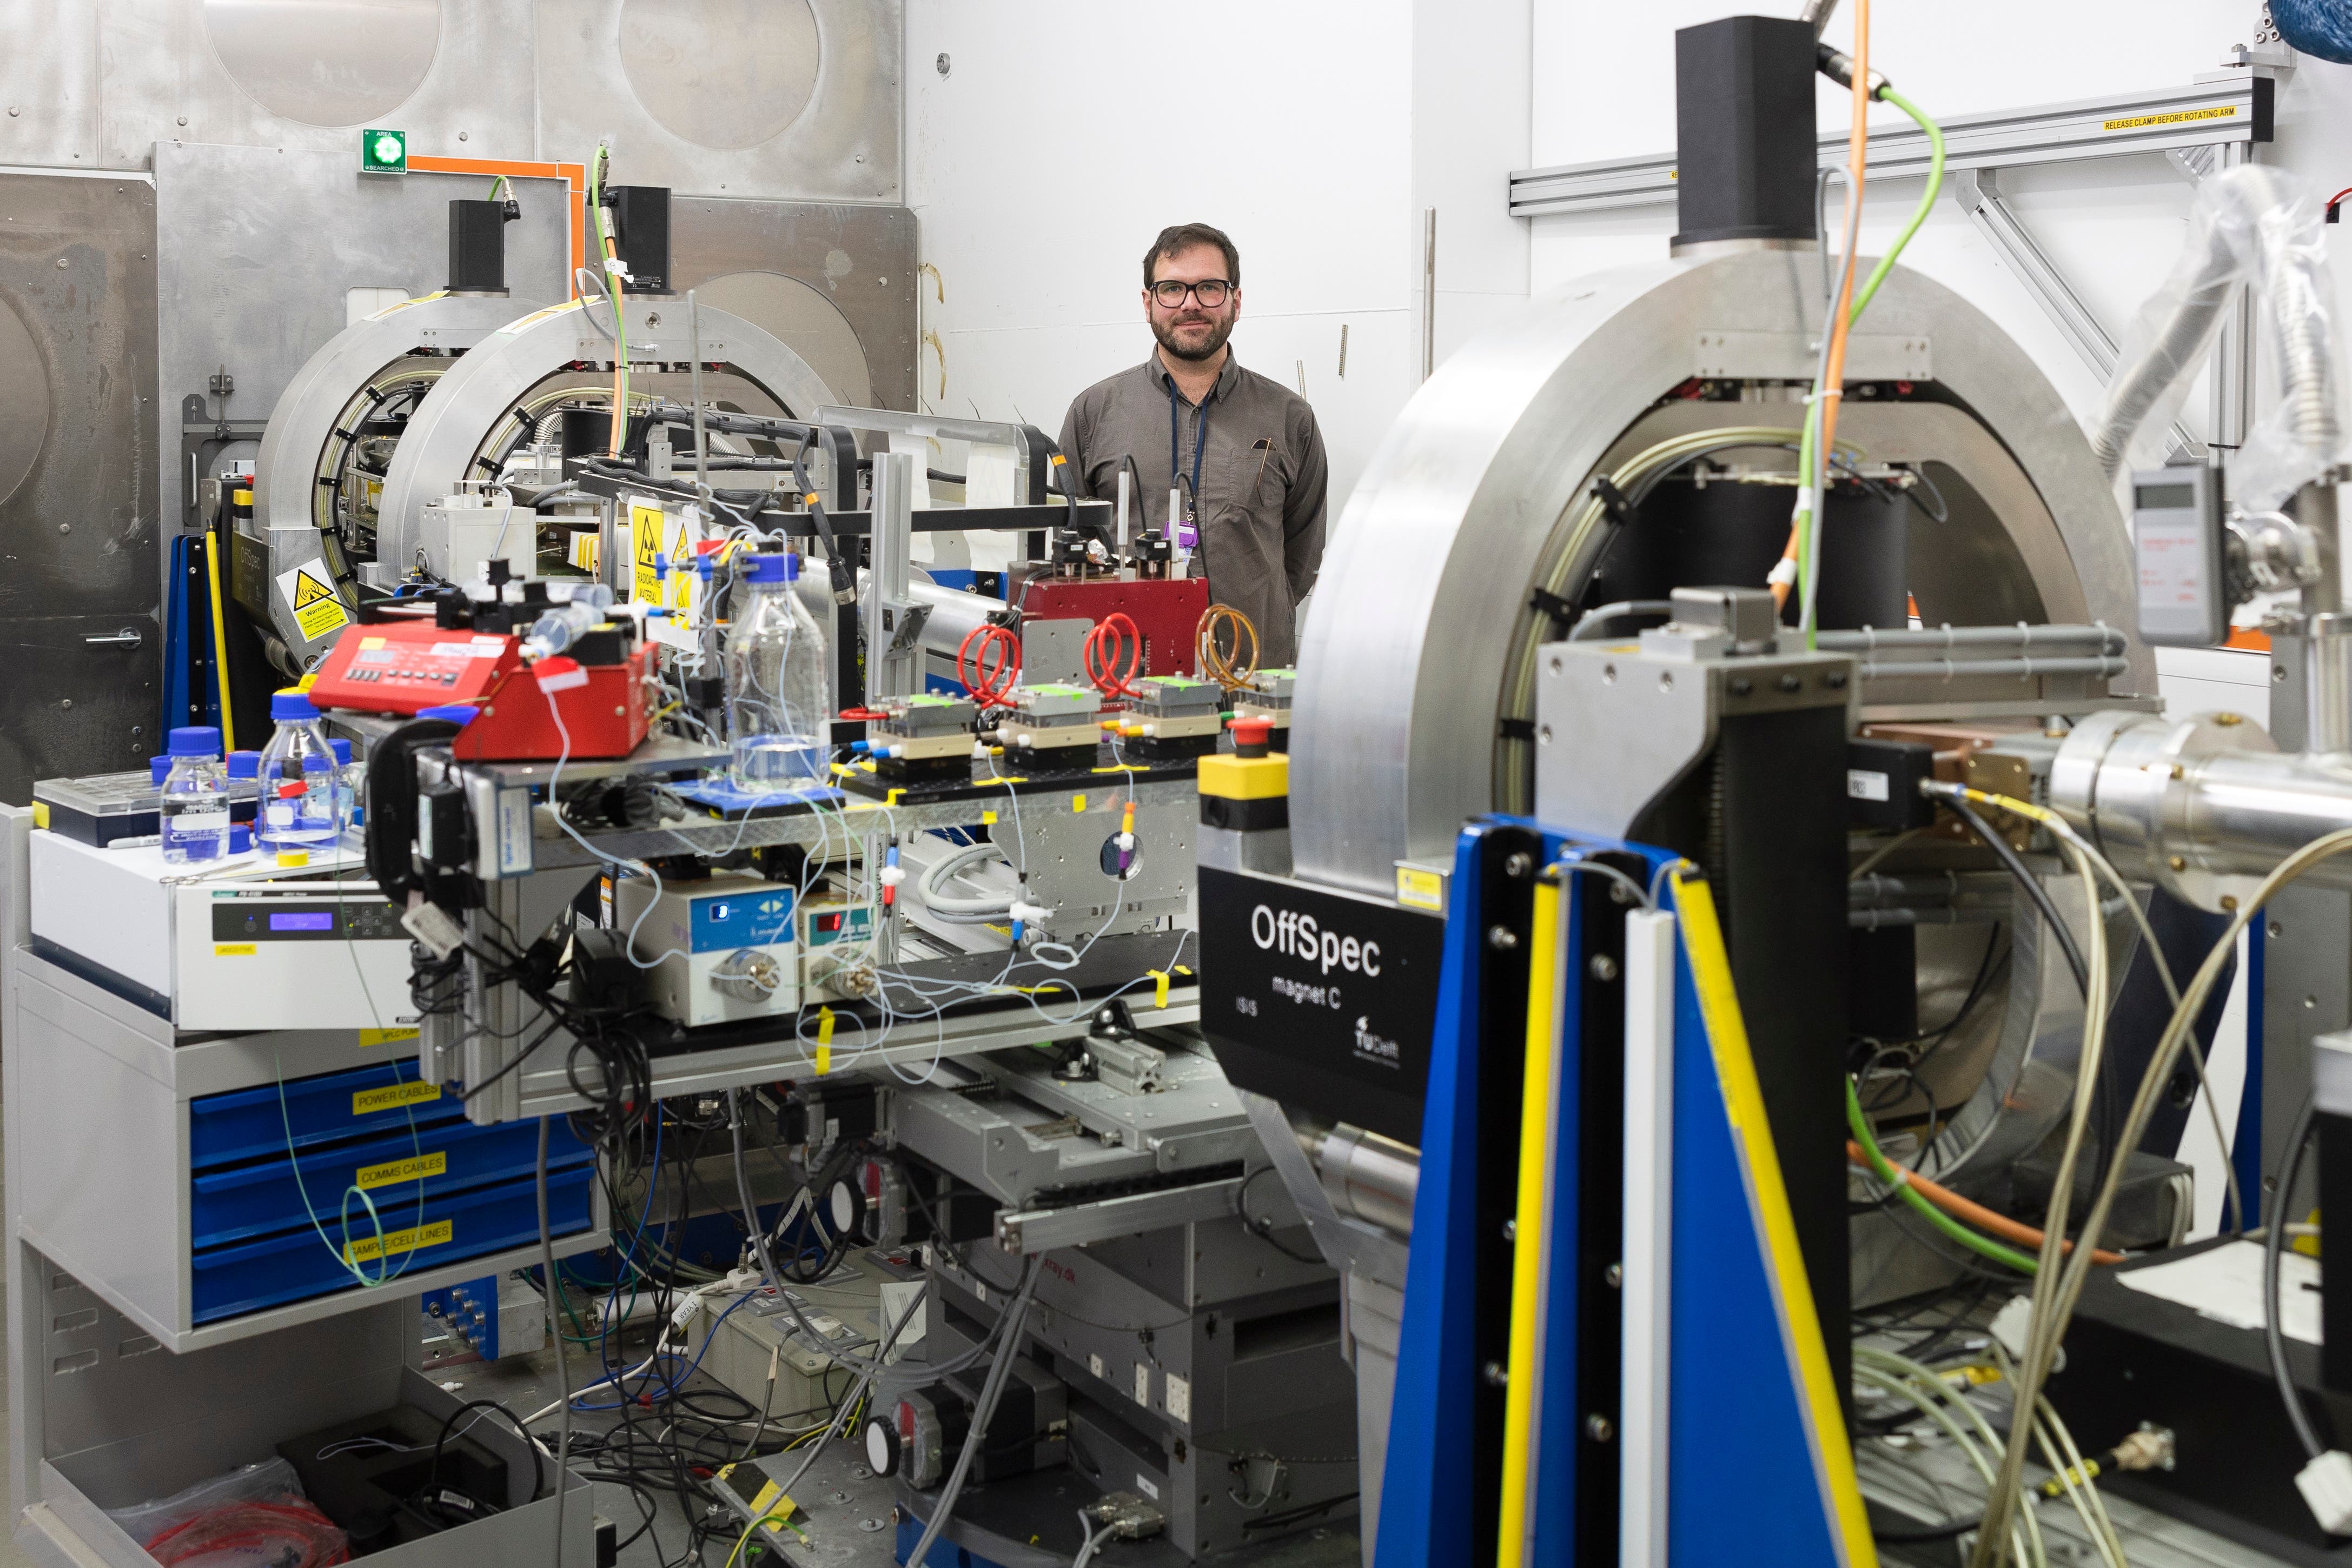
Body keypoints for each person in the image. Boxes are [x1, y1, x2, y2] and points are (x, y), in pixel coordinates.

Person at [1058, 223, 1328, 667]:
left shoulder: (1288, 417)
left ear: (1235, 301)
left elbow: (1301, 553)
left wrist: (1257, 611)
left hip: (1251, 676)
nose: (1190, 304)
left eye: (1209, 288)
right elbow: (1073, 541)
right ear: (1148, 302)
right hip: (1127, 673)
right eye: (1171, 289)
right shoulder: (1094, 414)